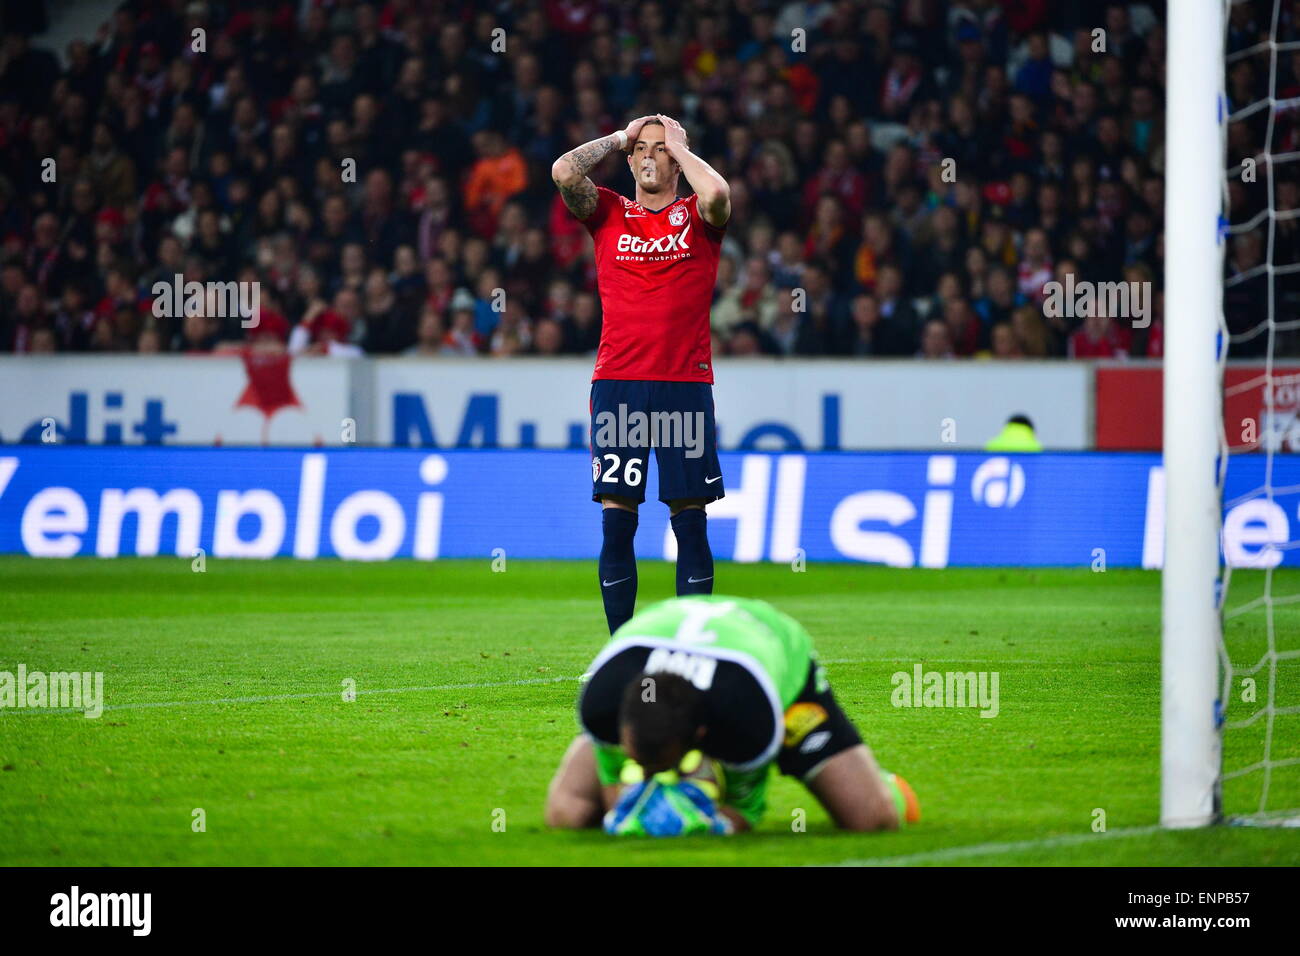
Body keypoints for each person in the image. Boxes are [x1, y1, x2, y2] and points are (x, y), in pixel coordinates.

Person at [551, 115, 731, 634]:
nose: (651, 156)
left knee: (691, 524)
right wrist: (617, 138)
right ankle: (621, 648)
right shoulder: (609, 211)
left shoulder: (699, 216)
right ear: (631, 159)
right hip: (619, 386)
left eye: (662, 149)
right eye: (643, 149)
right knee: (616, 524)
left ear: (678, 159)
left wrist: (680, 144)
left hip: (685, 387)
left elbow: (718, 191)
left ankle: (693, 648)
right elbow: (564, 172)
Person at [545, 595, 921, 834]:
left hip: (771, 649)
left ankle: (887, 785)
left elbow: (742, 813)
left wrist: (708, 823)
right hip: (658, 634)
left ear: (703, 735)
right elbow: (617, 804)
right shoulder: (604, 701)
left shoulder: (749, 719)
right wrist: (631, 816)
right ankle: (685, 777)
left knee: (871, 819)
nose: (644, 774)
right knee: (567, 814)